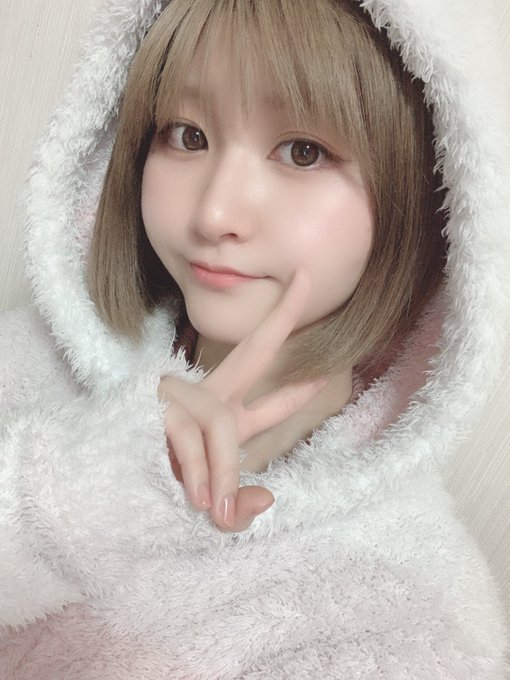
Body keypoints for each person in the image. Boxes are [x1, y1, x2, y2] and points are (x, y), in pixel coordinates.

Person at [0, 0, 509, 677]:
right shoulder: (25, 363)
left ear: (430, 196)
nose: (214, 212)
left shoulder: (416, 623)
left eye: (303, 151)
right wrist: (67, 501)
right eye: (186, 135)